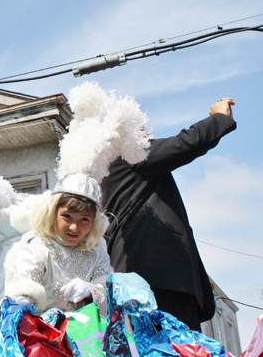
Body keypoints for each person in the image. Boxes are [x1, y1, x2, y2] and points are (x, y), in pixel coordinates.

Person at [101, 98, 236, 330]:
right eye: (140, 127)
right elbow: (185, 144)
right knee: (174, 356)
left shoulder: (110, 168)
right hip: (157, 282)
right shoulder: (128, 155)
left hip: (150, 281)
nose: (147, 133)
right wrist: (218, 118)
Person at [5, 174, 113, 314]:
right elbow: (23, 290)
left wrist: (92, 291)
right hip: (44, 332)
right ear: (53, 213)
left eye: (84, 219)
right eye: (67, 216)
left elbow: (110, 296)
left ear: (94, 221)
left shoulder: (97, 252)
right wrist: (23, 305)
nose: (74, 227)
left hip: (88, 333)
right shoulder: (38, 248)